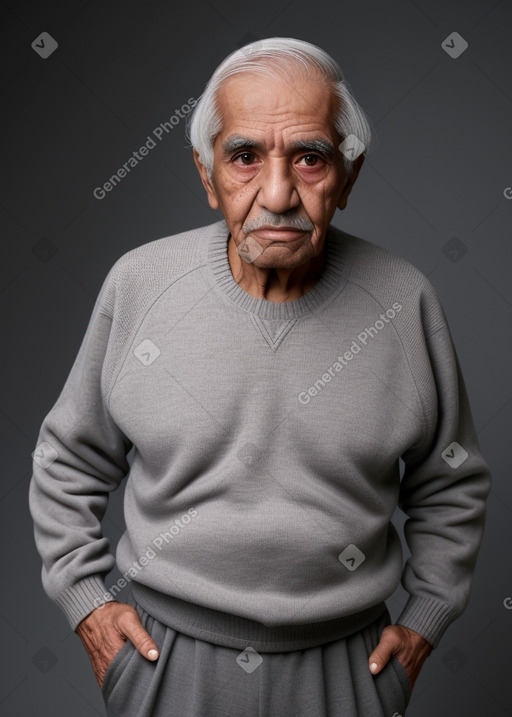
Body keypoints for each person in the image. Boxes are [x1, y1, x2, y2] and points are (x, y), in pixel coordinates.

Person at [29, 37, 491, 716]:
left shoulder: (403, 299)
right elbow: (66, 460)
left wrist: (424, 619)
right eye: (245, 157)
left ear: (349, 176)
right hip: (165, 664)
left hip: (346, 669)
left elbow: (451, 481)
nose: (277, 193)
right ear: (206, 175)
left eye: (310, 158)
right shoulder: (138, 284)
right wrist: (89, 605)